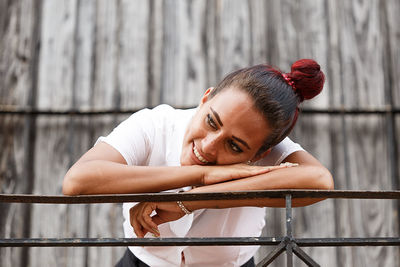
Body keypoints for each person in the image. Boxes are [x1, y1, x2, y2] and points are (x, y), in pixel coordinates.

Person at [63, 59, 334, 267]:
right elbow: (79, 181)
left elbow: (319, 181)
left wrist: (191, 200)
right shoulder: (154, 125)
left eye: (234, 146)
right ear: (206, 98)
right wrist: (200, 175)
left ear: (262, 153)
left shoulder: (268, 146)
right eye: (211, 121)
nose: (207, 146)